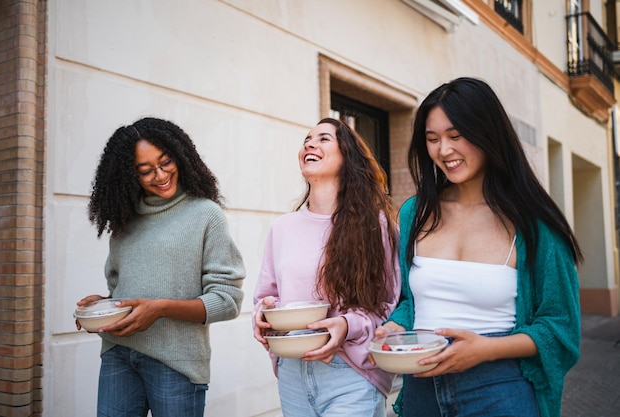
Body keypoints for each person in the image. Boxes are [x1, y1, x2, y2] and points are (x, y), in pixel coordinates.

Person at [377, 77, 582, 417]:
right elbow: (410, 303)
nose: (444, 150)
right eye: (433, 139)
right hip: (421, 392)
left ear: (488, 133)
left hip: (500, 389)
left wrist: (485, 350)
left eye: (456, 136)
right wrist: (395, 327)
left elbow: (560, 327)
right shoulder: (415, 212)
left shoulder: (535, 223)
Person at [76, 117, 245, 417]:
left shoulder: (206, 215)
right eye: (145, 171)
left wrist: (161, 309)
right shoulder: (125, 223)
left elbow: (227, 301)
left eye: (166, 162)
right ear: (130, 176)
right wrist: (102, 305)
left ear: (180, 156)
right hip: (118, 354)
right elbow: (124, 292)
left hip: (176, 362)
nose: (160, 174)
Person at [253, 118, 401, 417]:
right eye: (307, 139)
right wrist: (263, 313)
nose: (309, 144)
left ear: (347, 155)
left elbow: (391, 304)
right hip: (292, 371)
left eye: (323, 139)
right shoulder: (283, 227)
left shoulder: (377, 225)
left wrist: (347, 325)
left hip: (351, 373)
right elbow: (266, 296)